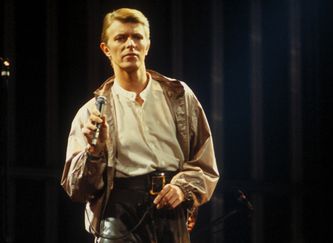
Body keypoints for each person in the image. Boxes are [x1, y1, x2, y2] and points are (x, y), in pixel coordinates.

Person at [60, 8, 219, 243]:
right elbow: (76, 189)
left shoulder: (179, 97)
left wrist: (182, 188)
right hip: (118, 215)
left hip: (170, 209)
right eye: (121, 38)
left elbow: (205, 163)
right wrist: (94, 153)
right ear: (106, 49)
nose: (130, 44)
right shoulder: (91, 113)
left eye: (137, 37)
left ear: (148, 45)